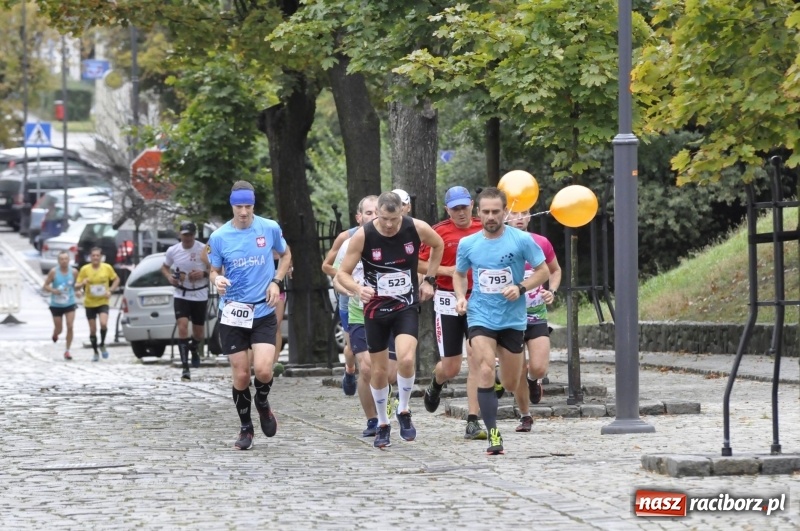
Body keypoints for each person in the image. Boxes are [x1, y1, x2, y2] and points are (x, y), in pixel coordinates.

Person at [336, 191, 444, 448]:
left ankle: (404, 411)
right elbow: (342, 273)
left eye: (393, 219)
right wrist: (357, 288)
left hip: (405, 305)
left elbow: (439, 245)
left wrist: (429, 279)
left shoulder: (415, 228)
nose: (388, 224)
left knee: (406, 359)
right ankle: (383, 422)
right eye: (383, 218)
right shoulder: (364, 235)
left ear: (402, 213)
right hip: (375, 310)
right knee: (379, 370)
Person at [453, 187, 549, 455]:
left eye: (496, 211)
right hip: (480, 315)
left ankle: (501, 387)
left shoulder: (521, 240)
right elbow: (459, 274)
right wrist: (461, 296)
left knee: (508, 382)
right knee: (484, 368)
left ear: (505, 212)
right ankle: (494, 435)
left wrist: (521, 287)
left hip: (513, 319)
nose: (491, 216)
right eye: (486, 212)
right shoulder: (468, 244)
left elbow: (543, 271)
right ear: (478, 213)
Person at [207, 181, 292, 451]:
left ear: (254, 205)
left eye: (248, 206)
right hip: (232, 313)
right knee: (242, 375)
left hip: (263, 310)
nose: (243, 211)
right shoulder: (219, 237)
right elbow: (213, 270)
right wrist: (217, 280)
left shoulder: (269, 228)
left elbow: (286, 254)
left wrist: (277, 280)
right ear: (231, 206)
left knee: (265, 370)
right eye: (238, 206)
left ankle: (263, 402)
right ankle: (246, 428)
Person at [419, 186, 488, 440]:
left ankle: (472, 420)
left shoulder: (484, 227)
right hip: (447, 300)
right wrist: (447, 271)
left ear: (472, 204)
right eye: (455, 208)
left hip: (478, 301)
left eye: (464, 207)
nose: (461, 212)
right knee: (450, 368)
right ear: (447, 209)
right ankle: (436, 384)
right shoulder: (439, 231)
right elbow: (418, 262)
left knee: (477, 359)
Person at [505, 210, 562, 432]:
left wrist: (552, 292)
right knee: (516, 369)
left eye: (525, 213)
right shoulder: (498, 244)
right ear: (504, 215)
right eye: (515, 212)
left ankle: (533, 379)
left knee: (538, 368)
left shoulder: (541, 242)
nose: (520, 217)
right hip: (510, 318)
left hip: (537, 315)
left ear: (530, 217)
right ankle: (525, 415)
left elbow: (555, 271)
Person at [322, 197, 379, 396]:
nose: (374, 217)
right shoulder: (347, 238)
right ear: (359, 217)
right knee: (351, 346)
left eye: (376, 212)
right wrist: (348, 284)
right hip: (350, 298)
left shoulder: (389, 234)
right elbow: (327, 266)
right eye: (369, 213)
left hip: (378, 302)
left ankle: (375, 385)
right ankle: (349, 370)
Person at [161, 221, 210, 382]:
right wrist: (171, 278)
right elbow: (164, 267)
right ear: (180, 235)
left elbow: (216, 268)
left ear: (194, 235)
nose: (187, 238)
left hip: (200, 293)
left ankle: (193, 348)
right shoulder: (173, 250)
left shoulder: (203, 249)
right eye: (184, 235)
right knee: (182, 327)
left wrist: (203, 274)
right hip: (181, 294)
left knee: (198, 333)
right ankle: (185, 368)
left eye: (189, 235)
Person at [76, 247, 120, 362]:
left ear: (101, 257)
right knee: (92, 329)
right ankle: (95, 351)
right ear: (90, 257)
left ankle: (102, 344)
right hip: (90, 303)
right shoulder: (85, 269)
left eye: (97, 255)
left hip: (103, 301)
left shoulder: (107, 268)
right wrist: (82, 283)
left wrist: (110, 290)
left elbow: (116, 279)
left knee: (103, 323)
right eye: (93, 256)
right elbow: (76, 285)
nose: (95, 258)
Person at [43, 250, 78, 360]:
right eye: (61, 259)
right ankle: (55, 334)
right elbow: (45, 286)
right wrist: (53, 290)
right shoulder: (54, 272)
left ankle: (67, 350)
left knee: (70, 326)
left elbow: (77, 285)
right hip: (56, 304)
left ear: (69, 260)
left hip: (70, 302)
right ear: (58, 261)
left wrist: (79, 291)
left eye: (66, 259)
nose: (64, 261)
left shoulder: (74, 272)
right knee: (59, 328)